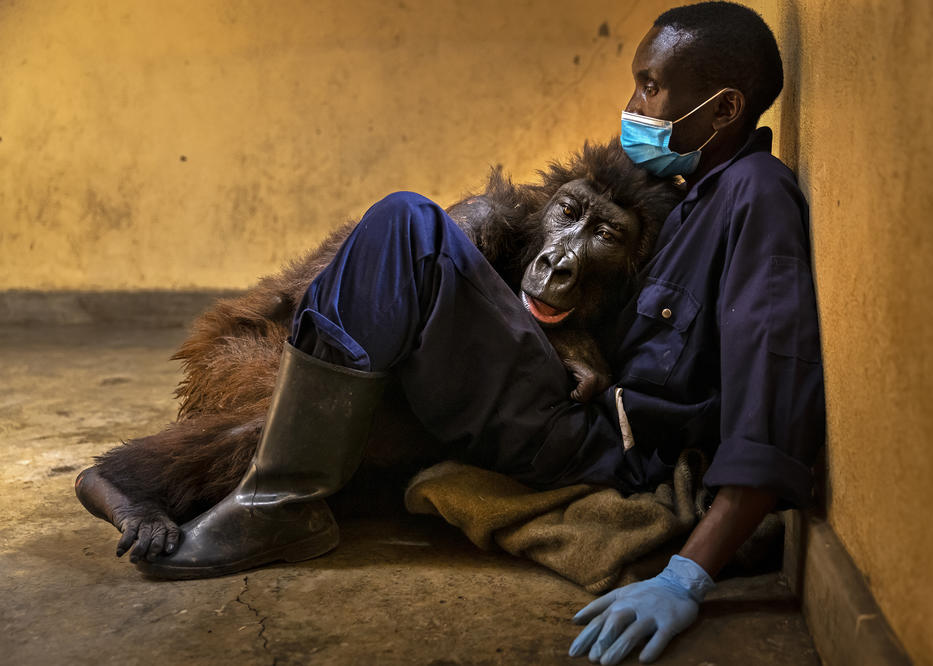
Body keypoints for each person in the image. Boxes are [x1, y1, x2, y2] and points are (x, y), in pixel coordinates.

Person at [137, 2, 825, 663]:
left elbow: (770, 397)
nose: (635, 109)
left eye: (651, 87)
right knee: (415, 234)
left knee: (408, 226)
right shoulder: (677, 192)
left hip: (599, 446)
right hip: (563, 397)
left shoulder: (754, 196)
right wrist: (562, 341)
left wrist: (686, 578)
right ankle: (277, 483)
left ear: (726, 108)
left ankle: (278, 501)